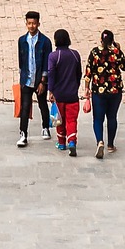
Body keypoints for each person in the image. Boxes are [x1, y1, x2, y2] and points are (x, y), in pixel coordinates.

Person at [84, 28, 125, 158]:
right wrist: (119, 50)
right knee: (112, 117)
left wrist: (87, 88)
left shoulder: (95, 52)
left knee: (98, 118)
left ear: (101, 40)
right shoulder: (116, 52)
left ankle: (100, 141)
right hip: (115, 90)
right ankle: (111, 145)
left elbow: (88, 73)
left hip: (99, 90)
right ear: (113, 41)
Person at [15, 10, 53, 148]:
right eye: (29, 23)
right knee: (24, 107)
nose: (31, 26)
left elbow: (47, 62)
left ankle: (45, 127)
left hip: (39, 79)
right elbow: (21, 59)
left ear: (38, 24)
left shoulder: (45, 41)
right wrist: (21, 77)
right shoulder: (22, 40)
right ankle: (23, 134)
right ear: (26, 24)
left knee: (42, 104)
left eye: (34, 23)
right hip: (26, 79)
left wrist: (43, 81)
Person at [46, 28, 82, 156]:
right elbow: (79, 74)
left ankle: (61, 143)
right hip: (72, 94)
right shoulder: (75, 54)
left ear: (55, 40)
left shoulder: (53, 56)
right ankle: (72, 141)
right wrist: (76, 86)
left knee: (59, 119)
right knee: (71, 120)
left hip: (58, 95)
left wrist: (51, 91)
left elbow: (51, 74)